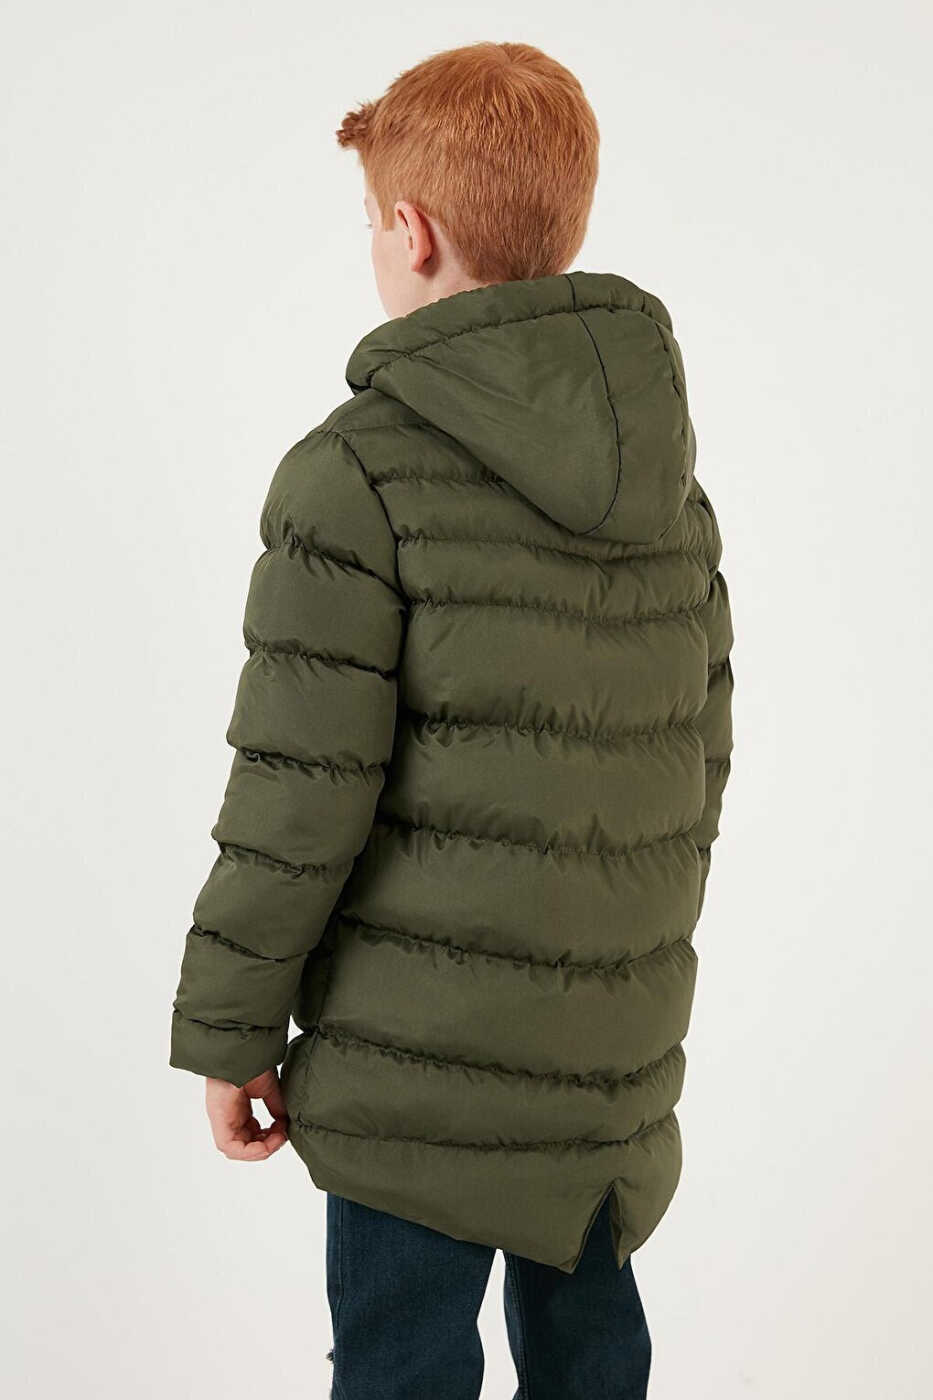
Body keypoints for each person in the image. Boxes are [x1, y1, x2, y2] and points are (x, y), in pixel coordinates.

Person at [170, 40, 733, 1400]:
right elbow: (698, 764)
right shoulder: (667, 489)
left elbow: (297, 793)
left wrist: (231, 1030)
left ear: (410, 232)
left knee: (403, 1371)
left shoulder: (355, 475)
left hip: (409, 1079)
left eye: (371, 219)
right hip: (602, 1065)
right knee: (593, 1361)